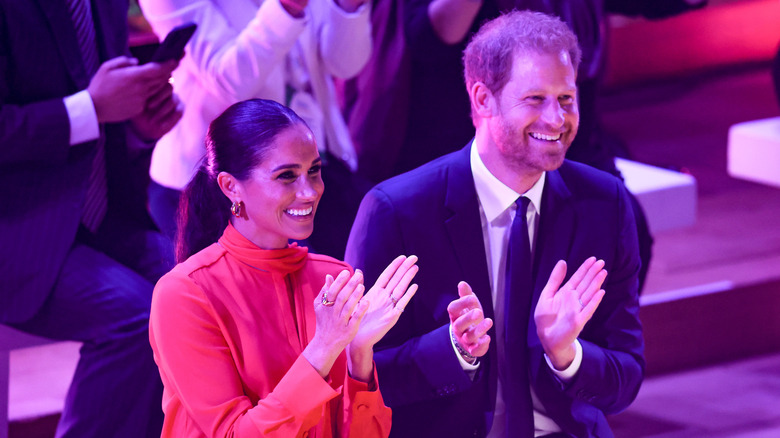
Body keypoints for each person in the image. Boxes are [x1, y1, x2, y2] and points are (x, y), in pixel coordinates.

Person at [346, 11, 644, 438]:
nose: (557, 120)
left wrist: (568, 356)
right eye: (535, 99)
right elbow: (358, 375)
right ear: (483, 99)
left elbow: (626, 376)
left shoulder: (605, 203)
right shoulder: (396, 212)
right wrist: (452, 352)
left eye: (565, 99)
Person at [150, 98, 418, 437]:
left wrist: (359, 353)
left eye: (314, 171)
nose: (309, 192)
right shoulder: (184, 293)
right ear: (231, 187)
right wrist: (323, 348)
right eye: (287, 176)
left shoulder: (333, 278)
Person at [0, 0, 183, 436]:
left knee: (197, 287)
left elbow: (103, 127)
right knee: (137, 317)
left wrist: (138, 129)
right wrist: (88, 109)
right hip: (18, 229)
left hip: (101, 218)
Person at [138, 0, 372, 259]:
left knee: (378, 251)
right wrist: (288, 8)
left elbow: (345, 65)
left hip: (314, 161)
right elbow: (229, 81)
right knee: (309, 289)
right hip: (221, 183)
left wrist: (348, 6)